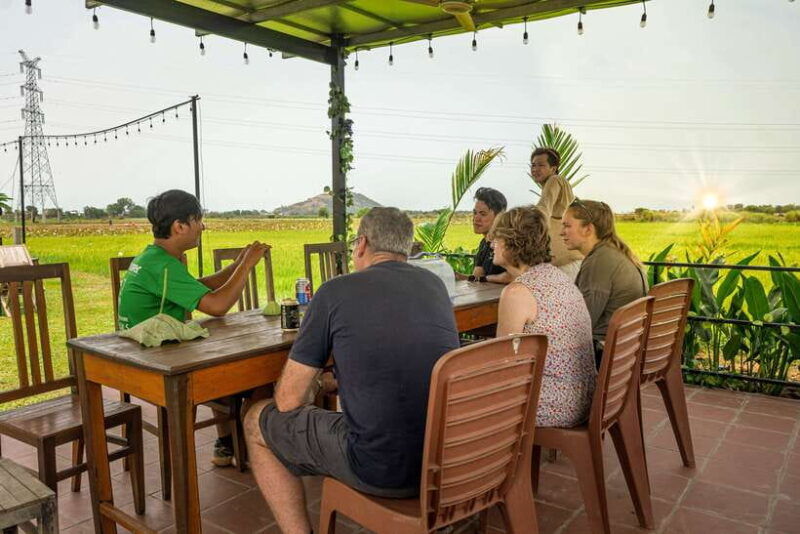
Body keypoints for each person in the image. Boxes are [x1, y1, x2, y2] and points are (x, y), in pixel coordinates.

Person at [242, 207, 459, 534]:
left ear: (361, 244)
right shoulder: (434, 285)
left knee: (256, 419)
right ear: (407, 246)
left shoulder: (334, 292)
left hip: (380, 468)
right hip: (445, 459)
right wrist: (335, 379)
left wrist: (314, 383)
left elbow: (288, 402)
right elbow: (397, 361)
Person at [118, 189, 269, 467]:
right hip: (157, 364)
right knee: (257, 372)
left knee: (229, 365)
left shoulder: (156, 258)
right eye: (198, 220)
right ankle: (251, 444)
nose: (203, 226)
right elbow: (218, 305)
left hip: (152, 351)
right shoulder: (162, 266)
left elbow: (199, 288)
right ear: (180, 226)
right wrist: (247, 266)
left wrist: (236, 264)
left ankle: (228, 442)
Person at [490, 206, 596, 427]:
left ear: (512, 243)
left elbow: (504, 364)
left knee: (452, 392)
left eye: (497, 238)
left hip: (556, 403)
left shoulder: (518, 292)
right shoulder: (557, 276)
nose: (492, 242)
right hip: (585, 397)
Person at [561, 199, 648, 364]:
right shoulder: (613, 252)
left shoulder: (599, 261)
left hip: (606, 355)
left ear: (588, 229)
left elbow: (582, 322)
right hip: (627, 350)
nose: (561, 232)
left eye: (567, 226)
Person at [530, 147, 584, 280]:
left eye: (541, 165)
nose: (535, 169)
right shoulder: (554, 185)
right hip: (566, 264)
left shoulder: (555, 180)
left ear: (553, 169)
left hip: (568, 266)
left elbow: (542, 209)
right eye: (533, 165)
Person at [468, 187, 511, 283]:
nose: (476, 218)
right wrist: (455, 276)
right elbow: (478, 277)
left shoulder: (506, 244)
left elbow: (516, 276)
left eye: (483, 214)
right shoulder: (484, 243)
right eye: (475, 213)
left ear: (499, 216)